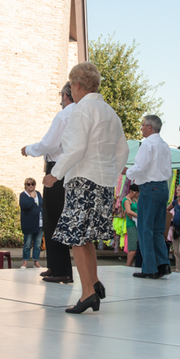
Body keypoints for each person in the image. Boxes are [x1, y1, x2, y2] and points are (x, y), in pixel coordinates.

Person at [43, 61, 129, 314]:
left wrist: (55, 175)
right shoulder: (110, 112)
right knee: (87, 238)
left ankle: (88, 294)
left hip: (82, 180)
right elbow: (122, 150)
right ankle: (93, 283)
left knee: (77, 240)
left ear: (77, 85)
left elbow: (76, 148)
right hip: (102, 183)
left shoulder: (82, 110)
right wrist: (109, 175)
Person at [22, 82, 75, 283]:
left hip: (58, 169)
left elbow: (49, 143)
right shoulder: (80, 113)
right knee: (55, 218)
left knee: (54, 218)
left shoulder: (65, 114)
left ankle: (61, 269)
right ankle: (54, 266)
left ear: (65, 95)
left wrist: (29, 149)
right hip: (69, 168)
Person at [126, 115, 172, 279]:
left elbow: (140, 166)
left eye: (143, 125)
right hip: (162, 187)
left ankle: (149, 268)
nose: (141, 128)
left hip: (149, 188)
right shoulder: (164, 145)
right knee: (158, 230)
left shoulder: (148, 144)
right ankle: (163, 263)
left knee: (145, 229)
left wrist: (127, 172)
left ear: (150, 127)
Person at [19, 178, 43, 270]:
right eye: (28, 184)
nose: (30, 186)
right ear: (25, 185)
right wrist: (31, 198)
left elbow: (41, 205)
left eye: (32, 184)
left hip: (39, 222)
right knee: (27, 244)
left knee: (37, 244)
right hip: (29, 223)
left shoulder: (38, 194)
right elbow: (26, 205)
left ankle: (36, 261)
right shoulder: (23, 195)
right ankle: (25, 261)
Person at [121, 184, 139, 267]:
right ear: (131, 191)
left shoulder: (134, 200)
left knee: (136, 245)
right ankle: (128, 264)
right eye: (136, 193)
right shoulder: (126, 200)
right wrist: (138, 215)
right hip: (131, 224)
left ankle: (130, 264)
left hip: (136, 223)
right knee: (133, 247)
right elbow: (128, 211)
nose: (137, 194)